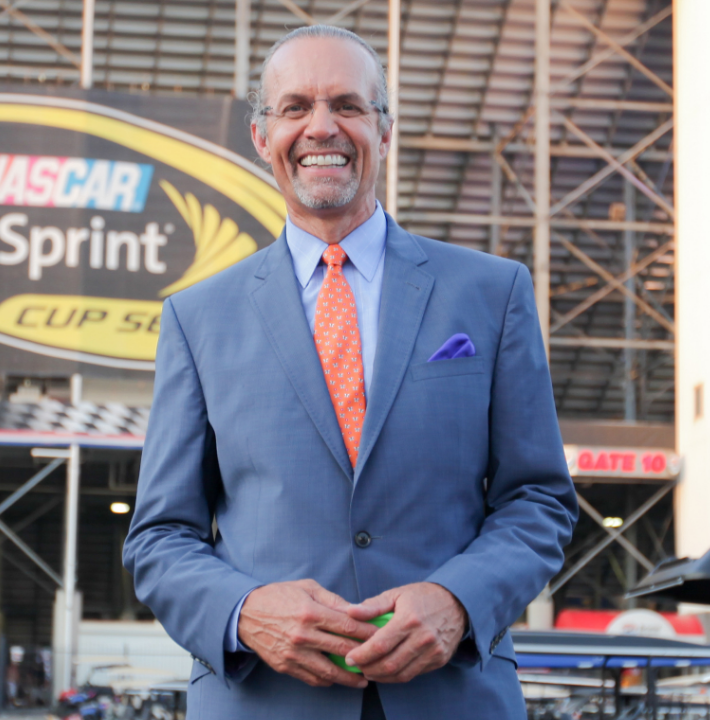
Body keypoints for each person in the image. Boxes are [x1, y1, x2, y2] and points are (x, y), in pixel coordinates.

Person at [122, 24, 578, 720]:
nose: (321, 127)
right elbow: (160, 537)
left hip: (453, 696)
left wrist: (458, 600)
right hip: (265, 702)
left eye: (347, 105)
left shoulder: (493, 293)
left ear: (384, 131)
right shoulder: (197, 317)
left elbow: (538, 499)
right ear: (261, 135)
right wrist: (244, 612)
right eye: (296, 107)